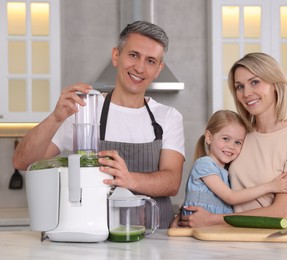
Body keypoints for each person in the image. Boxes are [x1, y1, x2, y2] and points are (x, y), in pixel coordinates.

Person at [13, 21, 185, 229]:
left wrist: (128, 179)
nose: (139, 67)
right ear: (116, 56)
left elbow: (172, 181)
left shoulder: (168, 117)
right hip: (94, 236)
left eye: (150, 60)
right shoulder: (84, 110)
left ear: (158, 69)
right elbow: (23, 161)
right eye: (133, 55)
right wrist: (56, 118)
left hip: (156, 237)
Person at [172, 52, 287, 228]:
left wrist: (214, 219)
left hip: (272, 242)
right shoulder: (238, 138)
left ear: (275, 84)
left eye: (255, 82)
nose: (246, 93)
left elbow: (279, 212)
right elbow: (216, 188)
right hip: (231, 238)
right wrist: (185, 214)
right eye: (239, 86)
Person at [182, 110, 287, 215]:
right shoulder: (204, 164)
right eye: (226, 139)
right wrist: (271, 186)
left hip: (214, 230)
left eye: (238, 142)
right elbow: (230, 197)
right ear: (208, 137)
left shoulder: (226, 172)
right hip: (199, 228)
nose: (231, 146)